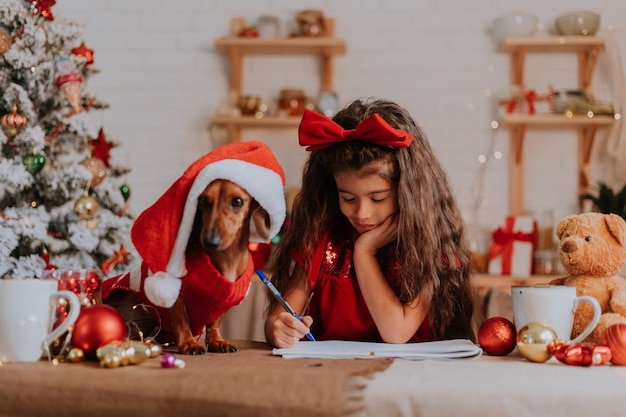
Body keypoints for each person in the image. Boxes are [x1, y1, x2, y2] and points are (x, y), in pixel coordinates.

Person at [264, 98, 476, 348]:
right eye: (348, 198)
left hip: (406, 380)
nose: (362, 213)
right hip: (329, 377)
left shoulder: (431, 248)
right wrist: (278, 329)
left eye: (378, 198)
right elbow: (279, 317)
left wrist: (364, 252)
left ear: (408, 193)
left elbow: (395, 333)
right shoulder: (322, 239)